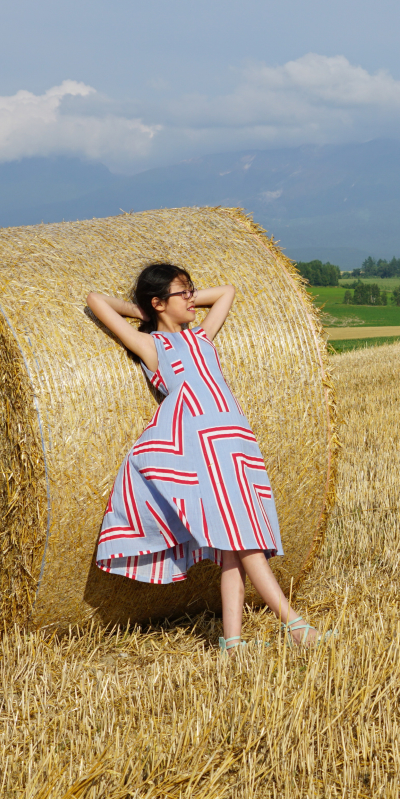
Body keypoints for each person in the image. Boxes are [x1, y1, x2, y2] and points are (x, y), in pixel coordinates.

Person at [86, 264, 322, 654]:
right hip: (201, 452)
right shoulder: (152, 347)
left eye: (193, 291)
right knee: (247, 542)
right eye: (184, 294)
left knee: (233, 551)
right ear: (159, 302)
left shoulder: (201, 335)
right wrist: (145, 312)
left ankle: (232, 642)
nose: (194, 298)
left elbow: (227, 290)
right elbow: (97, 302)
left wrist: (177, 298)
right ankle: (294, 625)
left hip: (235, 442)